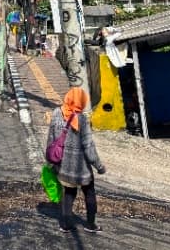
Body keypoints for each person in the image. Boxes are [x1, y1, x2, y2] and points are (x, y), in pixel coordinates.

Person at [47, 87, 106, 233]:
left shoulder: (56, 113)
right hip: (82, 169)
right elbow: (89, 148)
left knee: (69, 193)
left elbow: (50, 140)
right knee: (89, 193)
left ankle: (66, 225)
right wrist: (99, 166)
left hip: (64, 167)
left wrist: (50, 162)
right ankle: (90, 224)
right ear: (82, 101)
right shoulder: (82, 119)